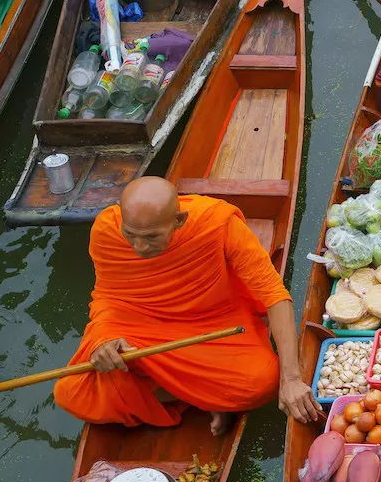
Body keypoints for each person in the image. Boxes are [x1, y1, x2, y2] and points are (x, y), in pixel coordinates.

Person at [53, 177, 319, 435]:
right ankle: (208, 399)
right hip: (140, 327)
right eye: (130, 235)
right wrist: (105, 341)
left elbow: (273, 293)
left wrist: (292, 380)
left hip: (211, 322)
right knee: (70, 393)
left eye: (152, 237)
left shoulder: (216, 223)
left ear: (179, 220)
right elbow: (107, 296)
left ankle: (192, 396)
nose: (139, 247)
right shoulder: (104, 230)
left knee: (262, 382)